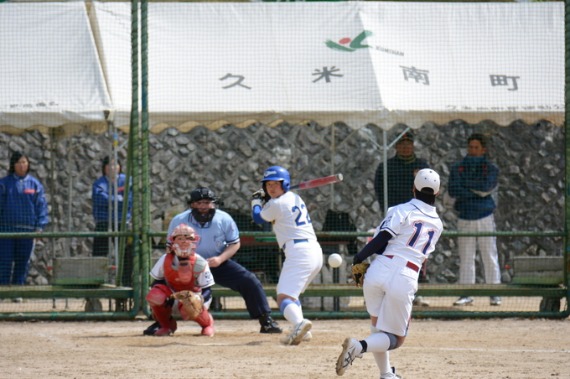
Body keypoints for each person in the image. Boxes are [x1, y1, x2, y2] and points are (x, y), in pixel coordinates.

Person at [335, 169, 443, 378]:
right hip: (406, 274)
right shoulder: (437, 224)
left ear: (414, 188)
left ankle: (386, 374)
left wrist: (359, 258)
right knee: (396, 339)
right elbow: (421, 256)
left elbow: (383, 238)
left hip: (380, 267)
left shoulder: (401, 209)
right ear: (437, 193)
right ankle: (358, 346)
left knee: (378, 326)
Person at [161, 186, 282, 334]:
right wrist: (179, 264)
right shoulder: (179, 220)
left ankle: (266, 321)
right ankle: (161, 324)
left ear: (214, 204)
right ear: (191, 205)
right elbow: (169, 246)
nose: (203, 207)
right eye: (198, 203)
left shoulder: (224, 218)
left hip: (217, 263)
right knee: (160, 288)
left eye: (207, 203)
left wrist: (219, 259)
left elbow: (234, 243)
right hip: (188, 265)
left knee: (249, 280)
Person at [251, 166, 323, 345]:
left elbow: (259, 217)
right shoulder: (294, 197)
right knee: (292, 296)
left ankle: (299, 324)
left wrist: (256, 201)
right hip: (313, 251)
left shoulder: (277, 204)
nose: (271, 188)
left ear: (285, 184)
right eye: (268, 184)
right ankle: (302, 331)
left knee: (283, 297)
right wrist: (266, 199)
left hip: (299, 253)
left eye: (276, 184)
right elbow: (274, 208)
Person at [374, 130, 431, 306]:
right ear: (396, 146)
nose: (405, 147)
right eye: (401, 144)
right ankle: (391, 290)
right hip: (395, 217)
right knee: (393, 252)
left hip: (417, 217)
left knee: (417, 252)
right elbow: (379, 189)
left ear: (413, 145)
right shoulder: (386, 166)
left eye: (408, 143)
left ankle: (417, 290)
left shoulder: (422, 166)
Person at [449, 133, 501, 306]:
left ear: (483, 149)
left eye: (476, 147)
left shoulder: (491, 168)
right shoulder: (458, 168)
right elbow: (453, 189)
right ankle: (466, 293)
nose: (472, 150)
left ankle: (494, 292)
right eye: (470, 147)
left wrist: (466, 186)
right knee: (466, 257)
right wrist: (473, 190)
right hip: (464, 216)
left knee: (489, 255)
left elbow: (486, 188)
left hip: (485, 216)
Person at [144, 223, 216, 336]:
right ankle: (166, 325)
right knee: (155, 295)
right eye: (180, 238)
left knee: (190, 302)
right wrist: (165, 298)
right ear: (173, 241)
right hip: (173, 295)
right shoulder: (165, 259)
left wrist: (199, 299)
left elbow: (207, 289)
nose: (184, 241)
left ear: (194, 241)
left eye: (188, 238)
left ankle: (207, 324)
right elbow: (157, 281)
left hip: (193, 295)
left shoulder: (200, 262)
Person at [0, 152, 49, 291]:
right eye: (19, 162)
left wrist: (40, 226)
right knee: (4, 261)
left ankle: (17, 290)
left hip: (27, 230)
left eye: (24, 162)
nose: (22, 165)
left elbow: (41, 206)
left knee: (22, 262)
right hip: (6, 230)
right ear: (13, 165)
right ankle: (3, 291)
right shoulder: (4, 184)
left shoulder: (34, 184)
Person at [92, 156, 133, 286]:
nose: (113, 168)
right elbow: (100, 200)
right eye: (109, 165)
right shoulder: (99, 184)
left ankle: (126, 282)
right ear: (104, 168)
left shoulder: (127, 181)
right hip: (104, 221)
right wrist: (119, 199)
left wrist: (113, 200)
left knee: (126, 254)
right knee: (100, 253)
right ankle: (96, 282)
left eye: (116, 165)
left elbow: (129, 201)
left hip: (122, 222)